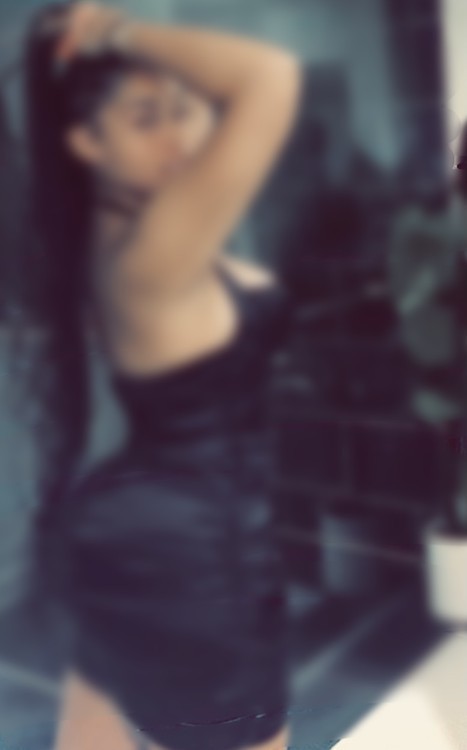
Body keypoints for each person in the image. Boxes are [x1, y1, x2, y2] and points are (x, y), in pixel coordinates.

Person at [19, 2, 303, 749]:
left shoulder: (118, 234)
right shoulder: (151, 253)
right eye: (146, 119)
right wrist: (112, 32)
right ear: (87, 141)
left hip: (150, 532)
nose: (179, 139)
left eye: (183, 110)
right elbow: (269, 77)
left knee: (94, 723)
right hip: (199, 559)